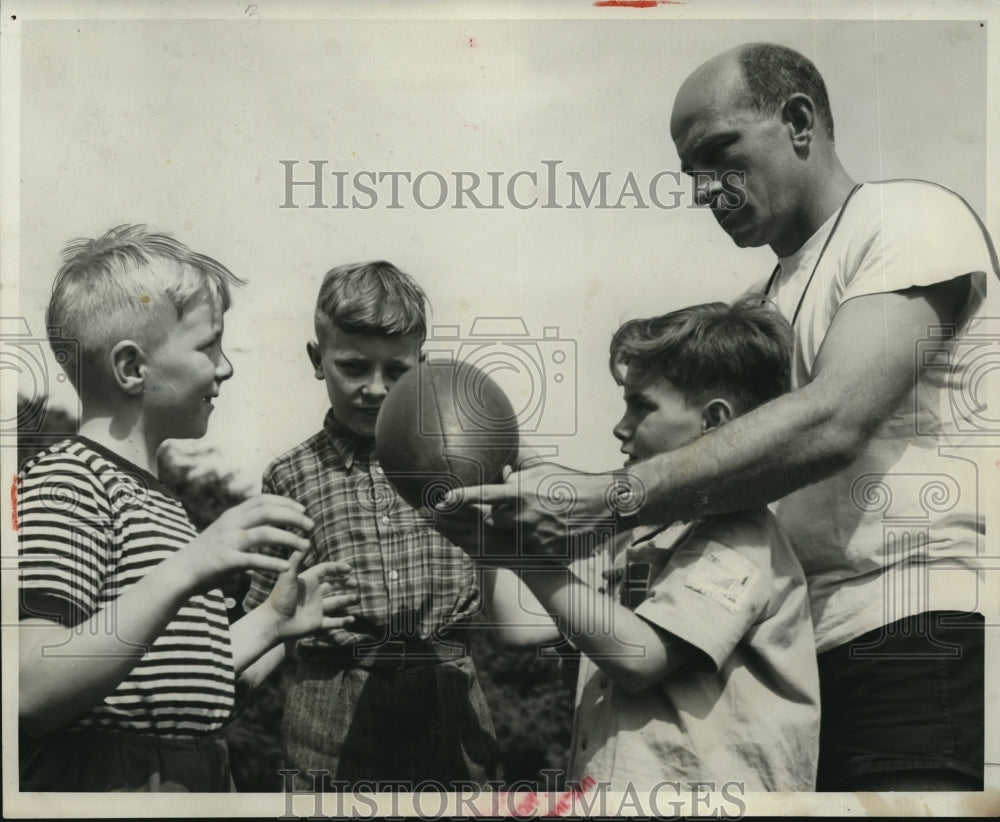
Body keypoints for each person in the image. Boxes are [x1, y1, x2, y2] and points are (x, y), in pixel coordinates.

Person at [444, 43, 995, 791]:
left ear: (798, 121)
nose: (705, 188)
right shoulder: (759, 310)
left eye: (719, 154)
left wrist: (602, 498)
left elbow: (834, 420)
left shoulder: (905, 219)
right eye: (691, 172)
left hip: (911, 629)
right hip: (788, 651)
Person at [18, 224, 359, 792]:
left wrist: (273, 624)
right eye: (208, 346)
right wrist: (190, 565)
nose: (225, 367)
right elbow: (30, 689)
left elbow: (179, 690)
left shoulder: (163, 505)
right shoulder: (68, 480)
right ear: (132, 369)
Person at [437, 296, 819, 791]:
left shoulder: (742, 535)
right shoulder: (637, 531)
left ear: (716, 420)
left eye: (641, 406)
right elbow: (518, 623)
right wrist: (492, 532)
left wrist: (522, 556)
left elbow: (641, 658)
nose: (620, 427)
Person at [242, 261, 498, 789]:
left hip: (446, 684)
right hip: (330, 696)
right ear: (318, 359)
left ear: (422, 365)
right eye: (353, 367)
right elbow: (269, 611)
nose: (376, 389)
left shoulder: (461, 461)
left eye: (397, 372)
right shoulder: (289, 474)